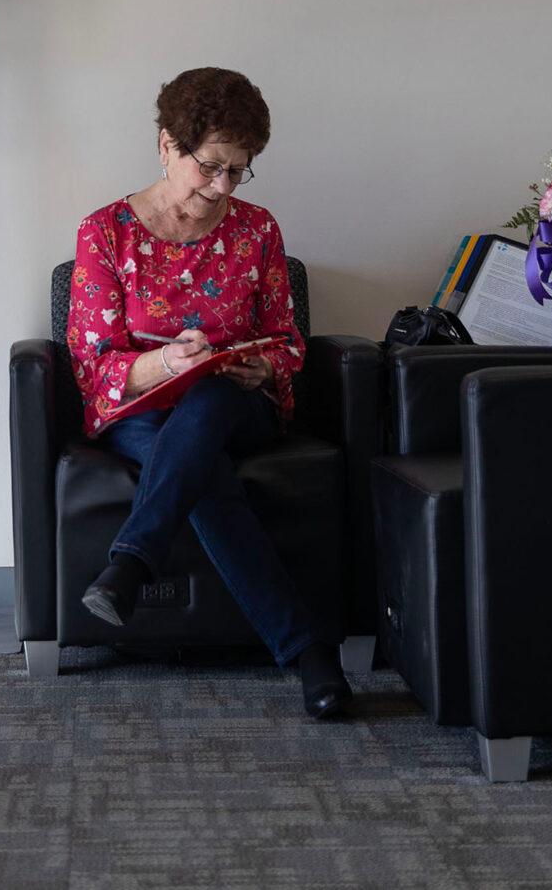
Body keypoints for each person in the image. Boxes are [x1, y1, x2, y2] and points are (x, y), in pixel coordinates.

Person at [64, 67, 353, 720]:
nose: (222, 186)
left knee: (212, 401)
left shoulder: (257, 230)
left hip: (238, 405)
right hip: (143, 412)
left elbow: (286, 340)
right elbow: (95, 366)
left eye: (238, 171)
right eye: (210, 166)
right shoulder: (106, 233)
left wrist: (263, 366)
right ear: (168, 145)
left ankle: (131, 565)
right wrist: (165, 361)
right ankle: (310, 654)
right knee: (202, 463)